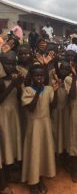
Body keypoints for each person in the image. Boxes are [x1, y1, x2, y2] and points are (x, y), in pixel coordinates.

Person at [21, 64, 59, 194]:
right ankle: (33, 182)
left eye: (41, 76)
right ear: (32, 77)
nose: (39, 78)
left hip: (45, 124)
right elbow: (31, 108)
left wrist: (56, 91)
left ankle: (41, 178)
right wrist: (37, 91)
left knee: (43, 152)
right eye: (36, 75)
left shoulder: (48, 89)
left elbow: (53, 105)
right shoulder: (28, 90)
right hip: (34, 126)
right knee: (34, 152)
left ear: (45, 77)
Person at [0, 51, 23, 182]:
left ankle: (11, 174)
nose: (10, 66)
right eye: (7, 63)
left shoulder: (15, 77)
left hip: (14, 114)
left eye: (13, 63)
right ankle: (5, 177)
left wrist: (19, 86)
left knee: (13, 143)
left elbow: (20, 99)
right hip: (3, 115)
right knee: (5, 144)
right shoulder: (1, 80)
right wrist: (13, 85)